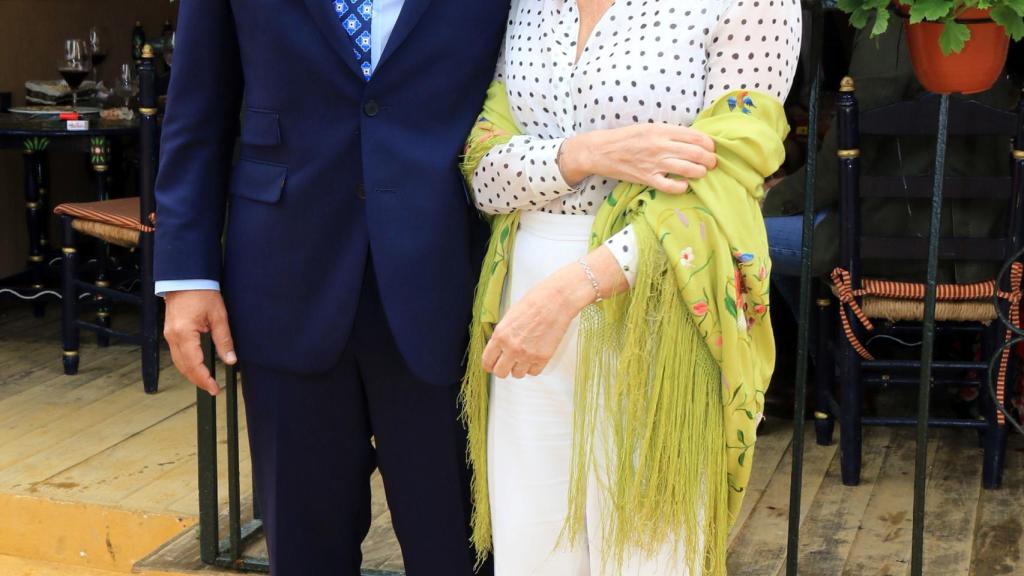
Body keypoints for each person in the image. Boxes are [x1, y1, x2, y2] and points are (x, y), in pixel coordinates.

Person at [153, 1, 509, 574]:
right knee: (305, 550)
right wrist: (186, 276)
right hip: (283, 278)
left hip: (448, 282)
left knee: (458, 548)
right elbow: (196, 114)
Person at [458, 1, 802, 575]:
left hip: (657, 304)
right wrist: (588, 153)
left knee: (652, 554)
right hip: (524, 308)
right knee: (532, 551)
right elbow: (482, 169)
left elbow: (725, 175)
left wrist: (572, 288)